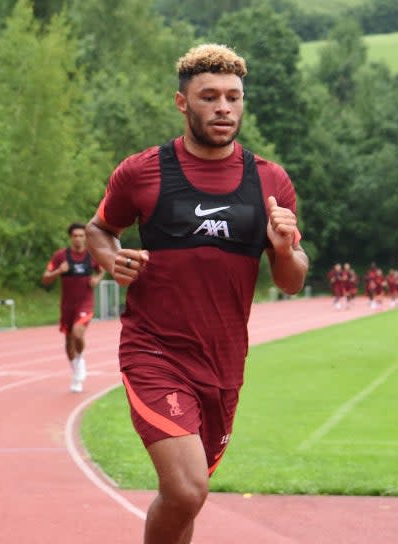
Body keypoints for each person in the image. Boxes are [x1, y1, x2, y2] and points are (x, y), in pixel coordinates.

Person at [85, 44, 309, 544]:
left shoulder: (270, 182)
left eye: (233, 97)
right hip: (155, 351)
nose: (224, 107)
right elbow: (99, 230)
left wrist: (285, 247)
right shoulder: (143, 172)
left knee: (190, 497)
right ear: (182, 103)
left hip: (224, 363)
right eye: (209, 97)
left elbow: (291, 280)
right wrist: (110, 258)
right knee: (187, 490)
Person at [42, 222, 105, 392]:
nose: (78, 238)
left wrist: (97, 279)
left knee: (78, 332)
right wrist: (58, 271)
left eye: (81, 235)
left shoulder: (91, 255)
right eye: (75, 235)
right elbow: (45, 278)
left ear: (86, 237)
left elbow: (101, 270)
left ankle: (81, 359)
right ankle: (76, 371)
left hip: (85, 303)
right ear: (71, 237)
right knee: (69, 342)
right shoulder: (60, 256)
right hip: (67, 306)